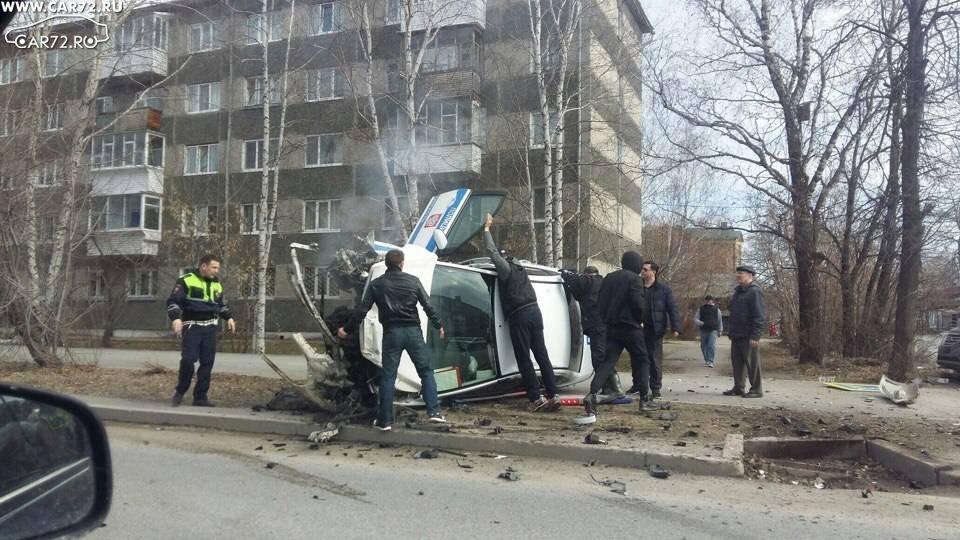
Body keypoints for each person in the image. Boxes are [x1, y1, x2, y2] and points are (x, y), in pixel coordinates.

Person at [347, 249, 447, 430]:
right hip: (413, 332)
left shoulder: (377, 285)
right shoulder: (413, 281)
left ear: (387, 264)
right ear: (402, 263)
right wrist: (438, 325)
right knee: (425, 372)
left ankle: (385, 421)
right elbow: (428, 306)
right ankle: (435, 413)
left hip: (392, 334)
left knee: (388, 377)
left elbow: (363, 310)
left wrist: (346, 329)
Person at [484, 214, 561, 412]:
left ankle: (536, 398)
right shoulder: (521, 268)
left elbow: (492, 253)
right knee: (541, 354)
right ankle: (554, 393)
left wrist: (486, 230)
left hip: (520, 315)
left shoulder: (507, 270)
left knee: (524, 357)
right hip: (535, 312)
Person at [167, 254, 236, 407]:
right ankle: (180, 391)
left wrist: (229, 317)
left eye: (218, 268)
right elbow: (173, 301)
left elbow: (220, 306)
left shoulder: (217, 285)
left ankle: (200, 397)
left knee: (207, 363)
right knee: (188, 360)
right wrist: (176, 318)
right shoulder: (186, 280)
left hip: (210, 328)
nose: (217, 271)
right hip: (192, 326)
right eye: (214, 267)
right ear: (203, 266)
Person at [593, 251, 653, 413]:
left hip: (612, 327)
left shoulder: (609, 278)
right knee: (642, 360)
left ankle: (592, 394)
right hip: (631, 328)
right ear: (637, 264)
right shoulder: (635, 280)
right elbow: (638, 304)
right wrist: (640, 319)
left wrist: (606, 318)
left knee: (608, 362)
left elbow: (600, 301)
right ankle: (644, 398)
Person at [560, 266, 622, 397]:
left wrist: (564, 273)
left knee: (599, 357)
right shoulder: (603, 283)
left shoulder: (590, 281)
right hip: (606, 324)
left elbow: (574, 280)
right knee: (605, 356)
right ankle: (609, 387)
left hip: (596, 324)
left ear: (587, 275)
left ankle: (612, 388)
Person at [723, 265, 767, 398]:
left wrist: (756, 335)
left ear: (750, 275)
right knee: (737, 363)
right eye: (737, 273)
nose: (738, 275)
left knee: (752, 363)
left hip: (748, 335)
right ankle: (738, 387)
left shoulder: (755, 292)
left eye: (741, 273)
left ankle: (756, 389)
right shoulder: (738, 292)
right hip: (736, 333)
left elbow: (759, 315)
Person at [638, 262, 681, 399]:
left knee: (654, 358)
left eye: (645, 269)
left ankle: (655, 388)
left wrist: (675, 327)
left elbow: (672, 308)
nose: (642, 272)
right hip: (637, 328)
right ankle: (638, 385)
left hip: (655, 329)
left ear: (654, 272)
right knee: (638, 358)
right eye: (642, 269)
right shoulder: (637, 286)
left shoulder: (663, 289)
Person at [693, 295, 723, 367]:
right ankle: (707, 360)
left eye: (710, 300)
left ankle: (711, 361)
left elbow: (719, 321)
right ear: (705, 300)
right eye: (707, 300)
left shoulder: (717, 310)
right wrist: (700, 323)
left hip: (713, 330)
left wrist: (720, 330)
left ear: (712, 301)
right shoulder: (701, 309)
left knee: (711, 345)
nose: (708, 301)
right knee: (703, 346)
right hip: (703, 330)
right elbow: (695, 319)